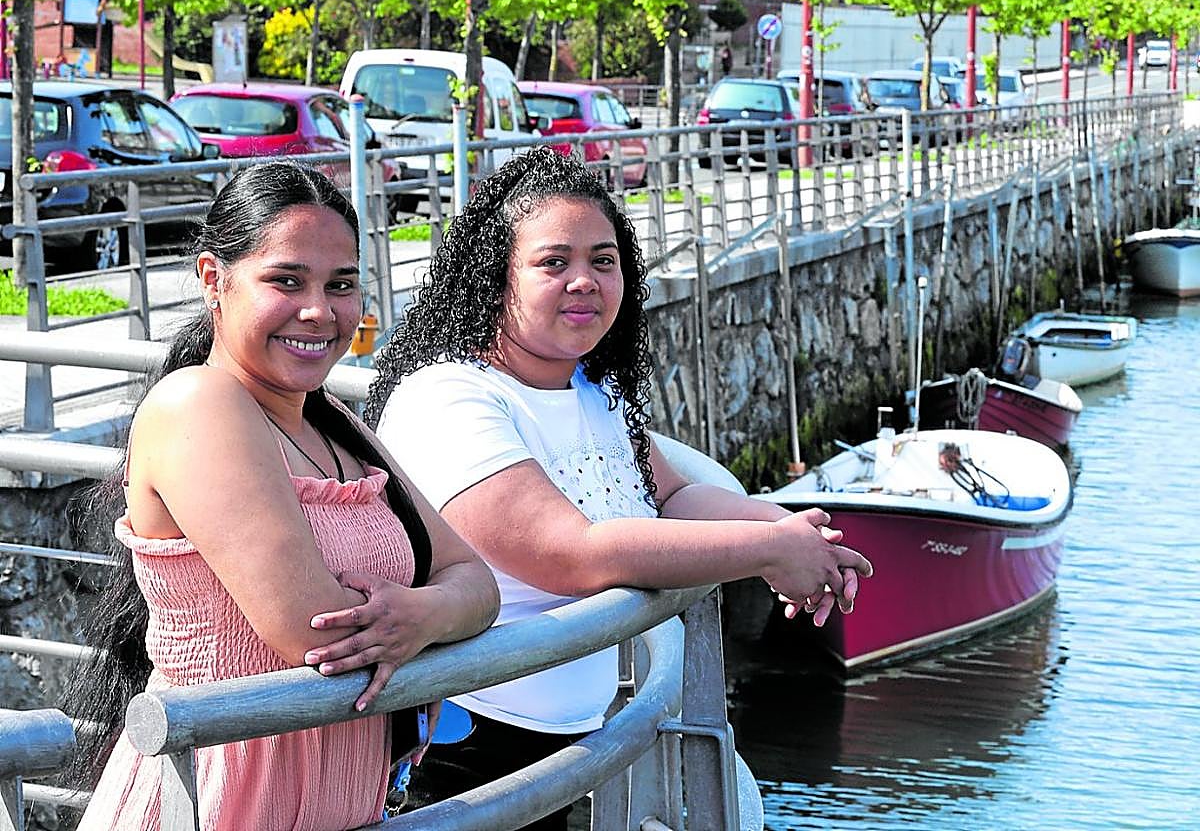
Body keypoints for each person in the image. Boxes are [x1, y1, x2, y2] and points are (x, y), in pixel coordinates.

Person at [362, 147, 873, 829]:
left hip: (564, 741)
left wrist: (791, 530)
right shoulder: (449, 400)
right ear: (495, 277)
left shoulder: (590, 391)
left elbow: (671, 498)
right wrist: (764, 551)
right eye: (554, 262)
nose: (585, 280)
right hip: (460, 743)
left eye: (603, 260)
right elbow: (572, 554)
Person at [65, 162, 500, 831]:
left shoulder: (332, 422)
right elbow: (312, 632)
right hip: (216, 800)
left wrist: (424, 616)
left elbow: (479, 582)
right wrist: (430, 623)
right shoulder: (197, 405)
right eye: (286, 281)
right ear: (214, 278)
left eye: (342, 284)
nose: (320, 312)